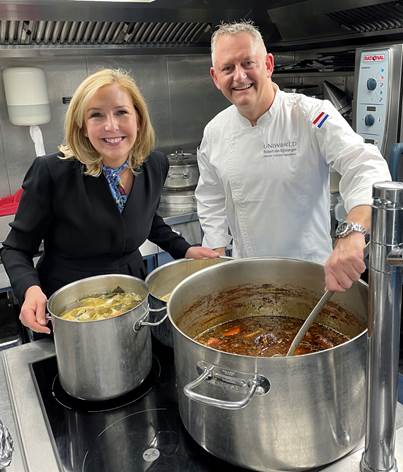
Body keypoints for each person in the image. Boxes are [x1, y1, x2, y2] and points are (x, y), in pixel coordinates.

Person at [1, 68, 218, 335]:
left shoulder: (154, 164)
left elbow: (146, 218)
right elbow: (15, 249)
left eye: (121, 112)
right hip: (68, 308)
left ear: (138, 118)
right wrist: (30, 289)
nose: (111, 126)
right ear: (82, 124)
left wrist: (184, 250)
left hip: (132, 296)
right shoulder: (52, 172)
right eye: (96, 115)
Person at [195, 21, 391, 292]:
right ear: (216, 78)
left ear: (268, 65)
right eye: (228, 68)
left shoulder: (313, 115)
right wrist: (215, 252)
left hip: (312, 275)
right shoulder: (214, 131)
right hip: (248, 277)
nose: (239, 77)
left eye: (248, 63)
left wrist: (354, 231)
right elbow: (211, 197)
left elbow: (364, 164)